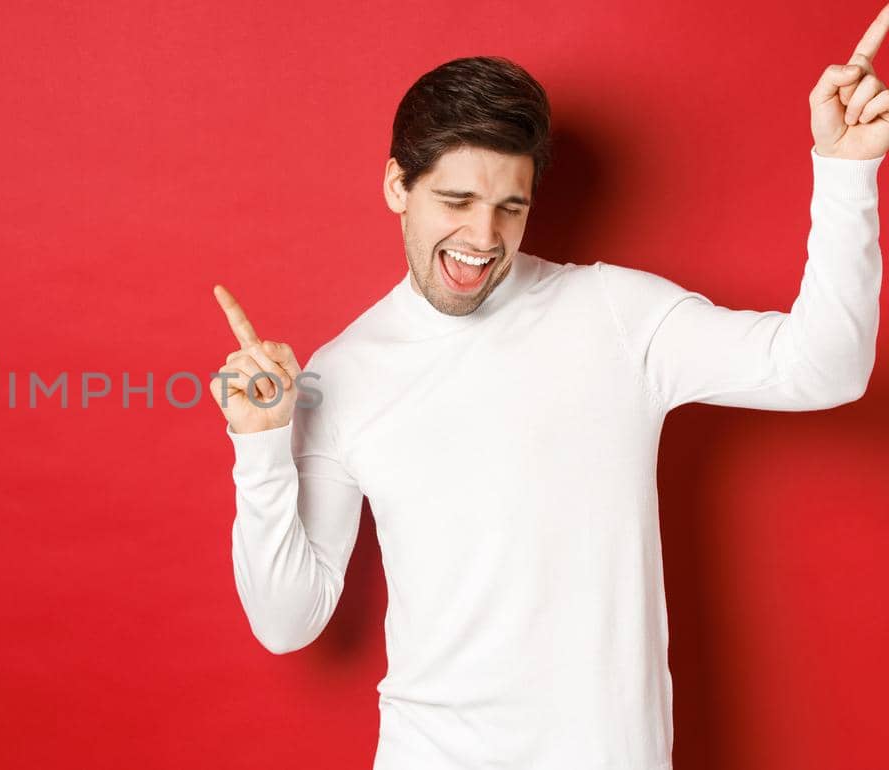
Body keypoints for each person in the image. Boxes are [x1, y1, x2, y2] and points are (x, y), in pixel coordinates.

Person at [209, 8, 889, 768]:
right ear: (398, 185)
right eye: (457, 202)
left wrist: (846, 172)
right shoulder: (343, 373)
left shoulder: (616, 315)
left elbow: (824, 369)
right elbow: (287, 621)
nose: (483, 240)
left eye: (510, 208)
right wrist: (261, 447)